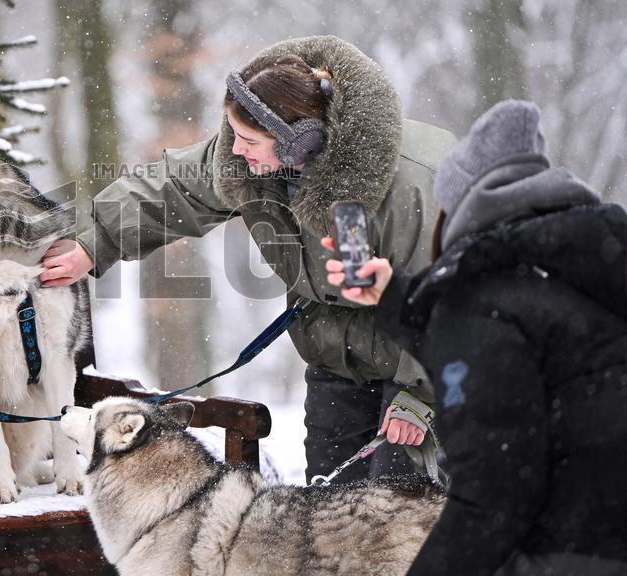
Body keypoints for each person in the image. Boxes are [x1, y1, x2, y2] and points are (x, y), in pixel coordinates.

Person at [40, 35, 457, 482]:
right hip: (336, 354)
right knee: (330, 508)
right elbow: (173, 189)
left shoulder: (413, 184)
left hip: (428, 361)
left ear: (299, 142)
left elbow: (454, 296)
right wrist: (93, 243)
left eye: (248, 139)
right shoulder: (252, 162)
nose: (236, 149)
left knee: (400, 505)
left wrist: (421, 396)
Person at [326, 100, 627, 575]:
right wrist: (396, 300)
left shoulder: (482, 305)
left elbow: (490, 501)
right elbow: (521, 342)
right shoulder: (582, 264)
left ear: (456, 209)